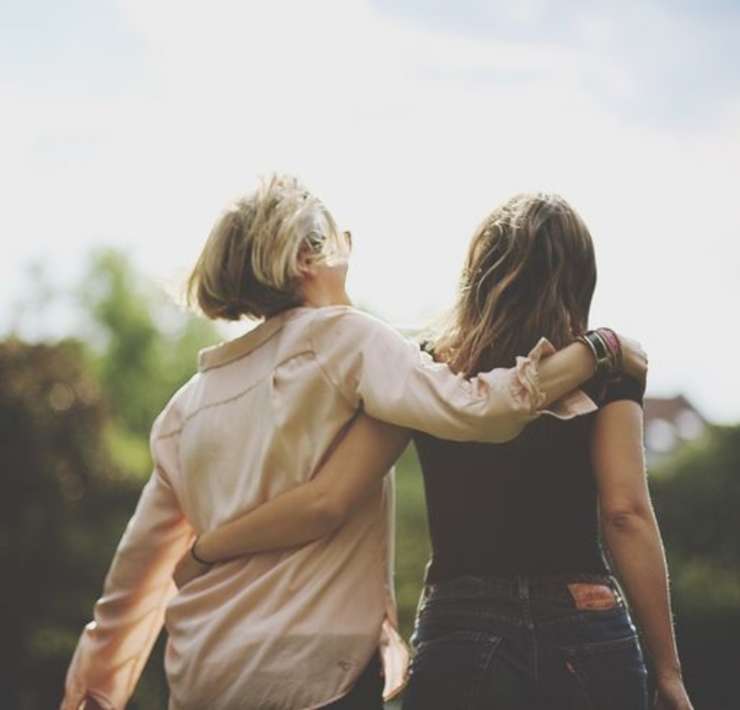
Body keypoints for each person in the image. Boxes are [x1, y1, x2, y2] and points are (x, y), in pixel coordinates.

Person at [164, 186, 652, 710]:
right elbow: (626, 514)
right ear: (582, 276)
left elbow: (327, 498)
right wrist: (668, 672)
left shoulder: (429, 368)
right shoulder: (610, 370)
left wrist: (207, 548)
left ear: (479, 271)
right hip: (584, 617)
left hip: (462, 631)